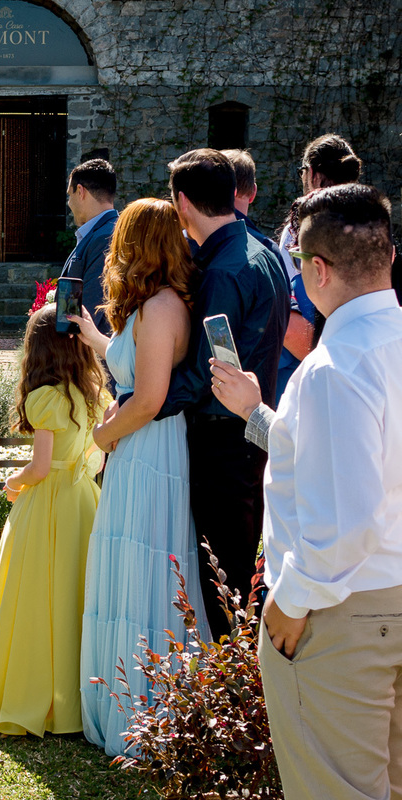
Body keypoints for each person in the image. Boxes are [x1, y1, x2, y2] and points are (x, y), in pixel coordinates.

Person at [256, 184, 401, 800]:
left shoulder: (334, 367)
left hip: (345, 611)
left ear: (316, 270)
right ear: (388, 255)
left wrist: (289, 602)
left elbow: (345, 526)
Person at [69, 199, 212, 756]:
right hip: (140, 446)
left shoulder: (161, 307)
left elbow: (148, 399)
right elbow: (138, 370)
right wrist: (96, 338)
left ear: (136, 244)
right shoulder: (155, 305)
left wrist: (104, 438)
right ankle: (137, 701)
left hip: (148, 448)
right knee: (133, 562)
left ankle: (146, 710)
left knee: (144, 562)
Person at [151, 149, 289, 638]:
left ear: (182, 202)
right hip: (251, 430)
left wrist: (140, 404)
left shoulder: (223, 271)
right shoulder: (265, 249)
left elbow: (204, 373)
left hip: (222, 438)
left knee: (223, 578)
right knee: (237, 565)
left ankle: (235, 690)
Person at [0, 303, 109, 737]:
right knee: (74, 595)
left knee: (35, 596)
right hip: (83, 499)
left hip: (47, 504)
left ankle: (31, 697)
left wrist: (13, 483)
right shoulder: (89, 394)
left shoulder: (46, 397)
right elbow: (95, 455)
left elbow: (40, 467)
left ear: (36, 350)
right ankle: (74, 701)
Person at [275, 136, 363, 398]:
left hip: (312, 367)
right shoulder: (371, 222)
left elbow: (292, 322)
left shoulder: (299, 229)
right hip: (361, 354)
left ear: (311, 172)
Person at [59, 158, 119, 336]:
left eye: (70, 195)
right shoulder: (102, 231)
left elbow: (92, 309)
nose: (69, 203)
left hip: (89, 354)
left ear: (80, 191)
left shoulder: (105, 236)